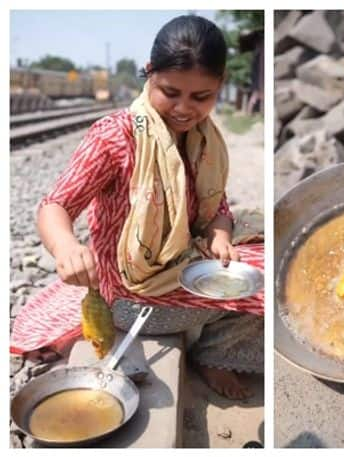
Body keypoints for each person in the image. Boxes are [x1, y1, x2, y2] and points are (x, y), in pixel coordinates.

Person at [36, 15, 263, 399]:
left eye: (201, 97)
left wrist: (221, 235)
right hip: (132, 295)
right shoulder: (115, 137)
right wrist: (67, 249)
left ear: (219, 87)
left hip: (186, 263)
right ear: (149, 74)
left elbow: (217, 203)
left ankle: (212, 346)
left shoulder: (204, 140)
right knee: (268, 289)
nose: (183, 109)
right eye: (170, 92)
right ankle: (212, 352)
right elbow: (54, 205)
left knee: (267, 243)